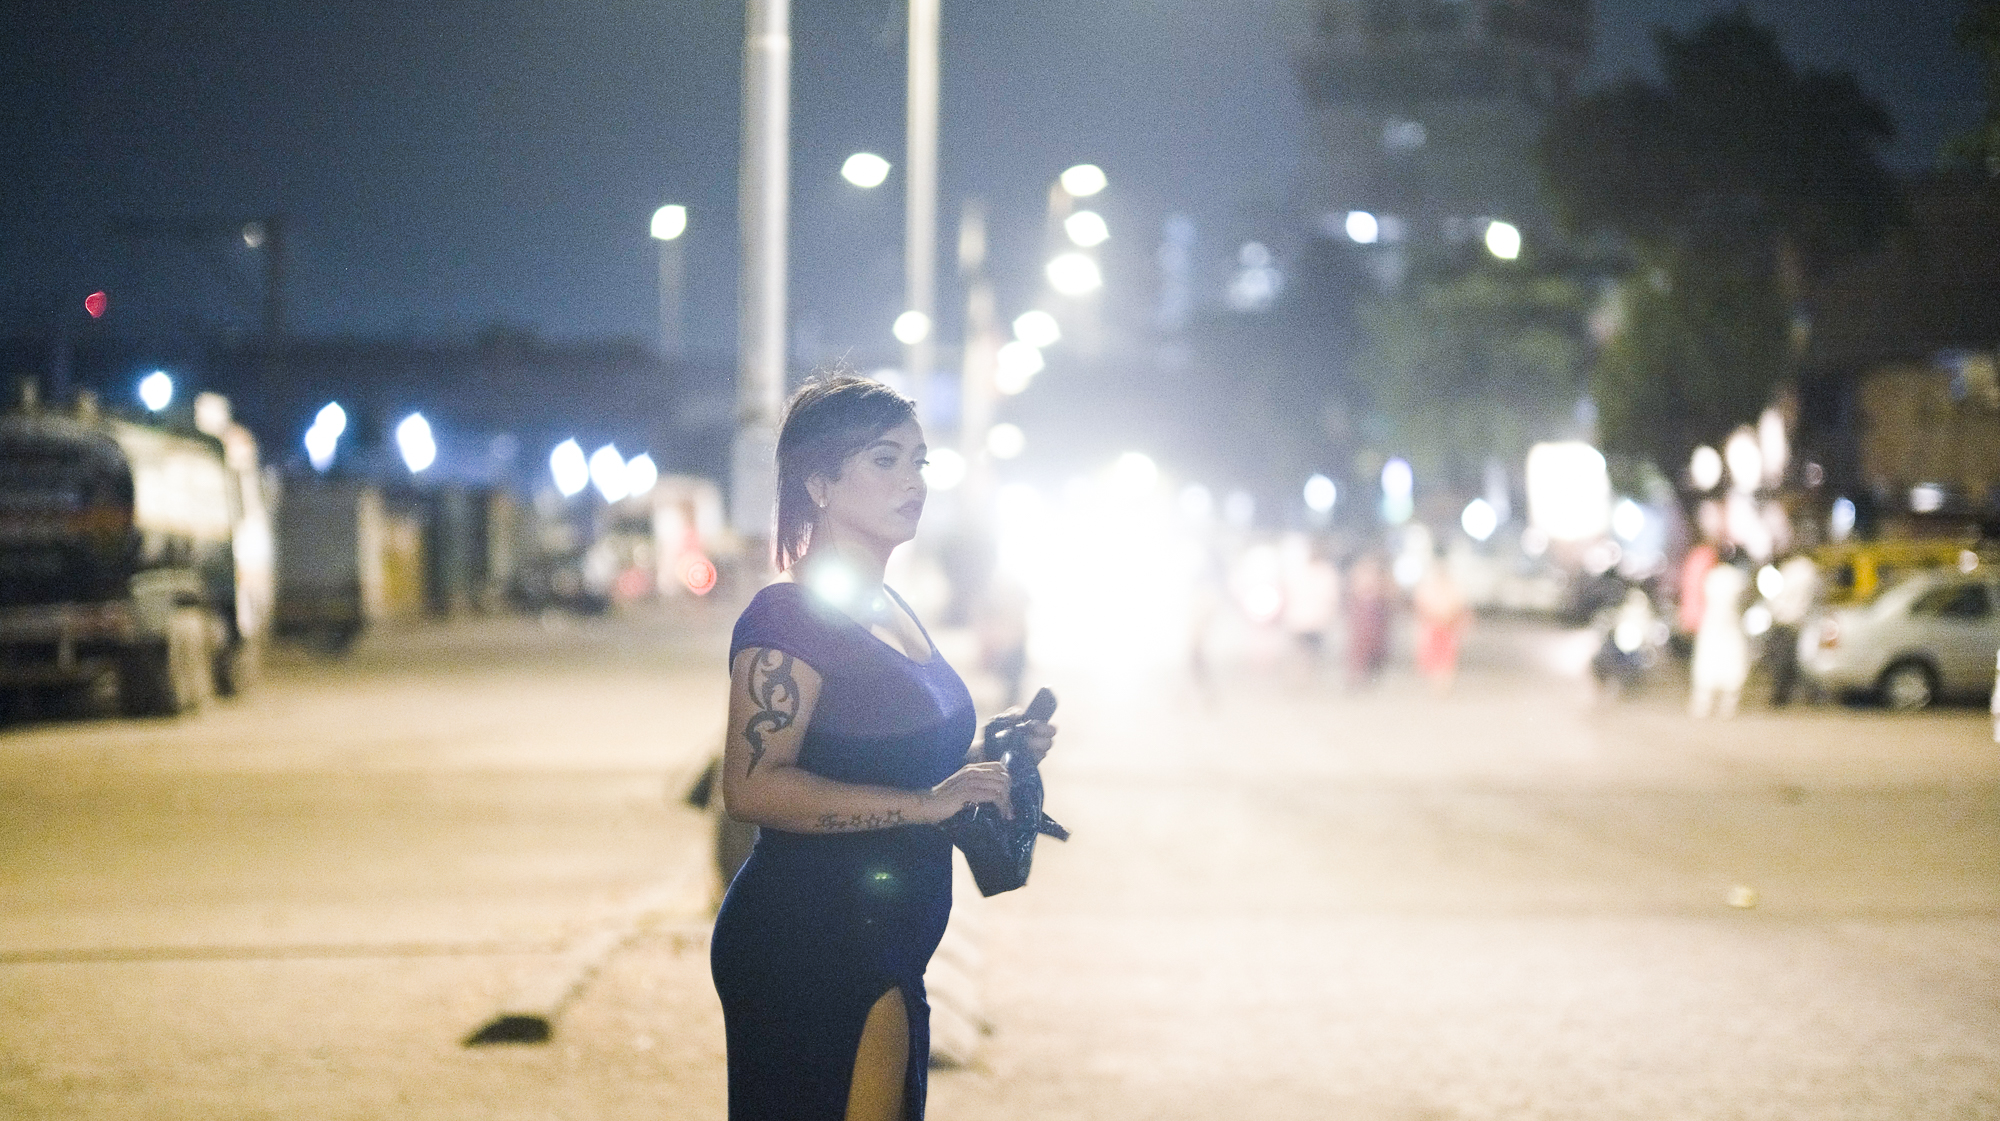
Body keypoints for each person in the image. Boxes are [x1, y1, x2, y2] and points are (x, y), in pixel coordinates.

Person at [711, 375, 1055, 1121]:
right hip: (813, 936)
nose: (912, 481)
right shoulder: (790, 615)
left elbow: (882, 749)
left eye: (919, 462)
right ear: (819, 482)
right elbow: (753, 785)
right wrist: (925, 803)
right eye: (884, 459)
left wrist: (993, 753)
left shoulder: (892, 608)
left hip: (888, 932)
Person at [1690, 557, 1750, 718]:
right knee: (1732, 662)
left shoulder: (1711, 575)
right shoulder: (1737, 577)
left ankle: (1703, 705)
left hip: (1712, 622)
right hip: (1730, 623)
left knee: (1707, 662)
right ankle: (1726, 706)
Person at [1411, 552, 1468, 693]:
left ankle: (1443, 684)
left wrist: (1451, 618)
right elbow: (1421, 606)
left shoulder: (1453, 587)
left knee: (1446, 657)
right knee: (1431, 655)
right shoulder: (1427, 588)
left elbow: (1459, 606)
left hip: (1448, 626)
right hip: (1432, 626)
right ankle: (1434, 682)